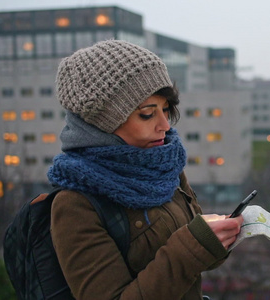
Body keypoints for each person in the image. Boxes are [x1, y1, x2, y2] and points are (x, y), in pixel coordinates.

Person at [47, 39, 244, 300]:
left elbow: (199, 264)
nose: (164, 125)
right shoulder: (75, 205)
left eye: (165, 109)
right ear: (104, 123)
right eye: (147, 114)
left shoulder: (163, 165)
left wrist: (213, 238)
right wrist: (191, 244)